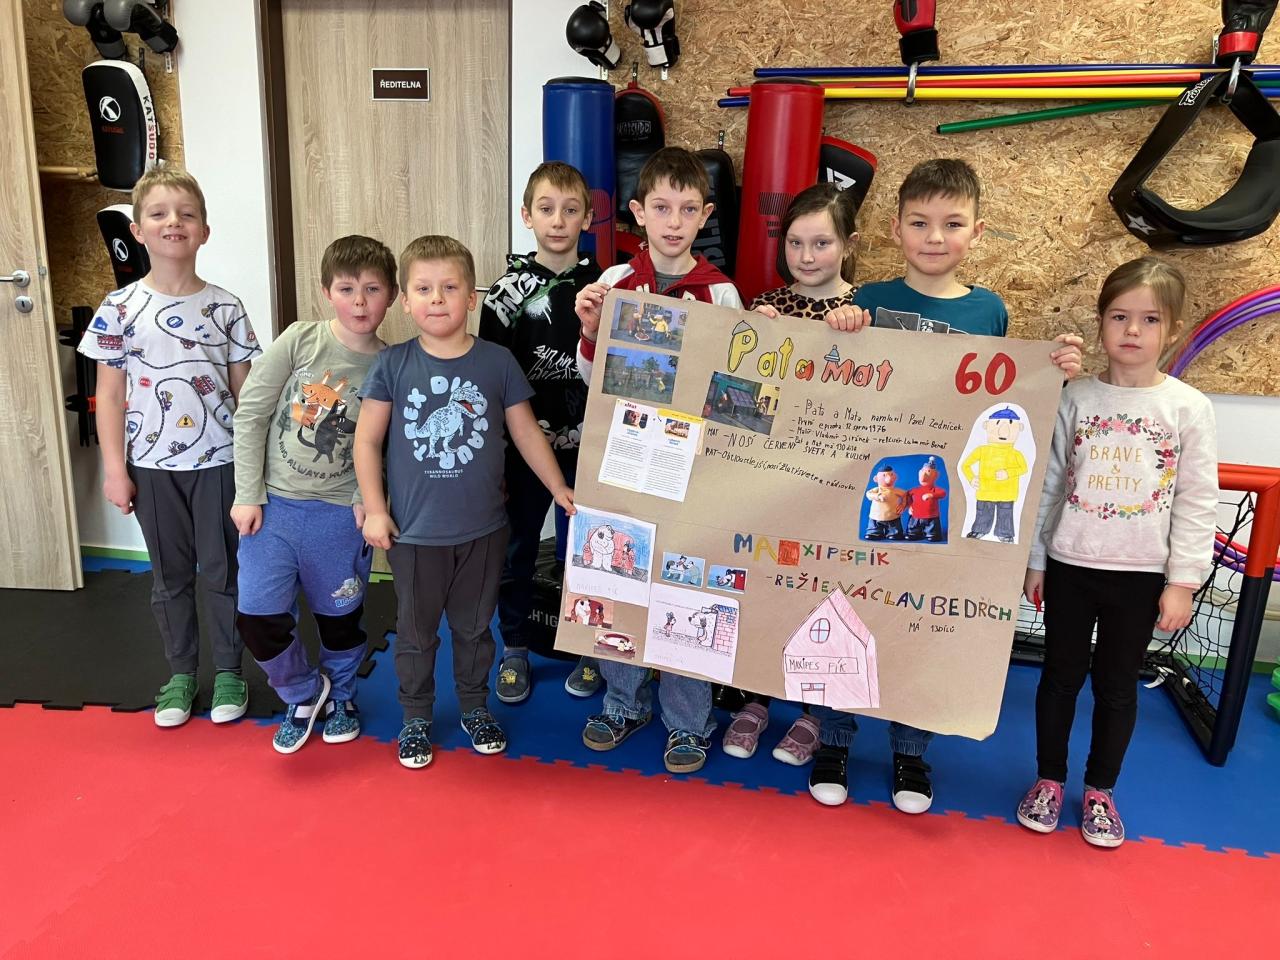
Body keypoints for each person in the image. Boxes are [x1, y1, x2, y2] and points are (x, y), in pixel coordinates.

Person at [807, 158, 1084, 813]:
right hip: (871, 489)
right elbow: (827, 382)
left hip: (944, 498)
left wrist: (1055, 369)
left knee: (921, 623)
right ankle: (834, 740)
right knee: (848, 609)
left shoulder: (989, 310)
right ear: (896, 228)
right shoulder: (868, 301)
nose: (935, 237)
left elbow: (1004, 398)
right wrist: (837, 328)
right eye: (920, 223)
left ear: (977, 231)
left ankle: (910, 752)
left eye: (952, 224)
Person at [354, 235, 575, 769]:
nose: (437, 298)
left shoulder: (497, 362)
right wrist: (376, 508)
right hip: (413, 535)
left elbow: (526, 433)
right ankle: (416, 716)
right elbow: (366, 441)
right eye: (424, 289)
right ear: (405, 301)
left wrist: (558, 488)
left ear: (471, 298)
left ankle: (475, 707)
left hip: (484, 531)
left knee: (475, 630)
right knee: (415, 633)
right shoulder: (393, 365)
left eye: (450, 288)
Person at [1017, 257, 1217, 848]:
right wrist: (1036, 560)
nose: (1133, 330)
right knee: (1059, 678)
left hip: (1140, 575)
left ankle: (1100, 789)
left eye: (1150, 319)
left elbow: (1197, 498)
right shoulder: (1076, 398)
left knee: (1117, 686)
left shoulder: (1187, 407)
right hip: (1071, 564)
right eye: (1119, 316)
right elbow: (1049, 484)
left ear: (1172, 329)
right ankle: (1049, 779)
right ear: (1101, 322)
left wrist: (1182, 581)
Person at [574, 146, 743, 774]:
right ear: (639, 212)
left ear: (705, 217)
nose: (675, 222)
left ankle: (689, 720)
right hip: (622, 465)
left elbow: (733, 391)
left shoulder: (720, 292)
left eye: (688, 210)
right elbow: (590, 378)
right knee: (617, 579)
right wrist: (591, 330)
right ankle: (623, 701)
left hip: (690, 473)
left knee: (686, 587)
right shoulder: (617, 281)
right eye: (662, 208)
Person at [78, 166, 260, 728]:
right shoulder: (119, 307)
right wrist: (115, 470)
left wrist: (255, 471)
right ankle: (181, 673)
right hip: (152, 468)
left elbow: (247, 397)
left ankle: (229, 670)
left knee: (224, 571)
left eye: (186, 214)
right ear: (138, 230)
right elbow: (110, 397)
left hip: (220, 464)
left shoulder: (225, 307)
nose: (173, 222)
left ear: (204, 230)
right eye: (158, 214)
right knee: (171, 576)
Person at [727, 183, 874, 766]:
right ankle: (756, 697)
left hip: (836, 487)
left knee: (825, 596)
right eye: (795, 243)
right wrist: (751, 334)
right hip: (770, 483)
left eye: (821, 243)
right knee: (764, 588)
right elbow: (737, 402)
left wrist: (861, 329)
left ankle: (815, 711)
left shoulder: (867, 310)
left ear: (848, 245)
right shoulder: (766, 304)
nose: (806, 256)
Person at [231, 235, 396, 753]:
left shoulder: (391, 364)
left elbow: (391, 446)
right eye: (347, 289)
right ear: (328, 292)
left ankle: (342, 695)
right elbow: (252, 413)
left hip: (340, 515)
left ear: (392, 295)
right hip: (274, 509)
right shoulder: (300, 340)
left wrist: (372, 499)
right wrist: (247, 493)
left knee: (340, 620)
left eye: (373, 289)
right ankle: (304, 694)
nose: (360, 302)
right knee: (258, 618)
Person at [480, 161, 601, 704]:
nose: (558, 221)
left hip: (589, 445)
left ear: (588, 217)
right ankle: (515, 647)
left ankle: (592, 649)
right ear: (526, 215)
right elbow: (488, 379)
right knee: (518, 548)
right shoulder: (504, 295)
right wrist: (496, 454)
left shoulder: (608, 287)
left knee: (588, 552)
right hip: (523, 449)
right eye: (547, 209)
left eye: (570, 210)